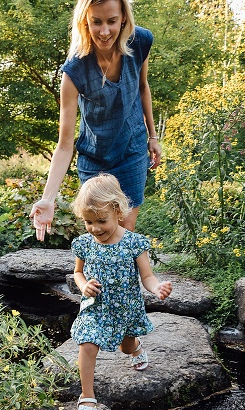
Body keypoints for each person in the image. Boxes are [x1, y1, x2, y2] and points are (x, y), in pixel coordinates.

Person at [30, 0, 162, 241]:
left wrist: (153, 136)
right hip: (94, 156)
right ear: (85, 21)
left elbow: (143, 87)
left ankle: (124, 279)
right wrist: (48, 199)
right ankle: (90, 280)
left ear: (123, 17)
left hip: (131, 148)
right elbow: (64, 144)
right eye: (96, 22)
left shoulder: (140, 41)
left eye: (111, 21)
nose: (104, 32)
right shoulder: (74, 70)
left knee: (125, 229)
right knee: (99, 231)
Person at [69, 173, 172, 410]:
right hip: (96, 307)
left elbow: (146, 276)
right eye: (88, 222)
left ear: (117, 210)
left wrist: (157, 287)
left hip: (126, 308)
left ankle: (135, 347)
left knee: (125, 347)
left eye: (101, 221)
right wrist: (83, 287)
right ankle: (87, 398)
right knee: (87, 343)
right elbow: (78, 272)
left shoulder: (134, 243)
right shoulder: (85, 244)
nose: (95, 228)